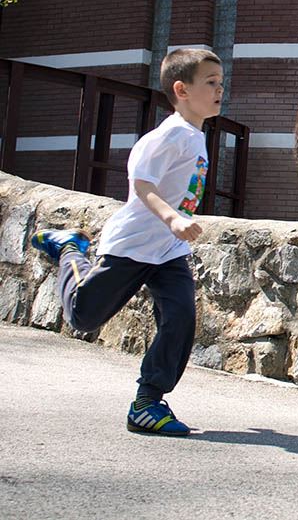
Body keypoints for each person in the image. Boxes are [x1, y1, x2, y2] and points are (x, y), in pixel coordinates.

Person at [30, 48, 224, 436]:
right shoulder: (169, 135)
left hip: (168, 251)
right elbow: (142, 183)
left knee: (181, 316)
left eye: (221, 82)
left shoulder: (196, 136)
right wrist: (171, 217)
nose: (221, 89)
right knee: (84, 316)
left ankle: (148, 403)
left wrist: (174, 226)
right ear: (181, 89)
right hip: (133, 244)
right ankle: (70, 247)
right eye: (212, 83)